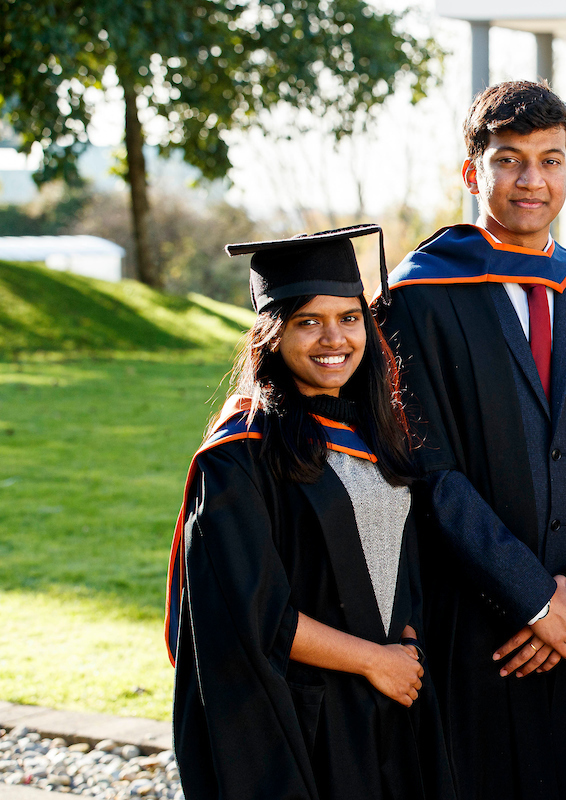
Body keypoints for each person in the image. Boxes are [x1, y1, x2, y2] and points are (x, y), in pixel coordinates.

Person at [375, 81, 566, 800]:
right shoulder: (417, 300)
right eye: (509, 160)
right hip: (480, 632)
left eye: (550, 160)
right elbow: (428, 471)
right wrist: (537, 601)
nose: (532, 179)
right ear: (473, 173)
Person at [166, 225, 449, 800]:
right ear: (272, 334)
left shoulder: (373, 429)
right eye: (308, 321)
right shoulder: (240, 451)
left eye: (349, 317)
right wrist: (374, 660)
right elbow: (247, 611)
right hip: (305, 713)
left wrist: (407, 641)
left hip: (390, 697)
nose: (334, 338)